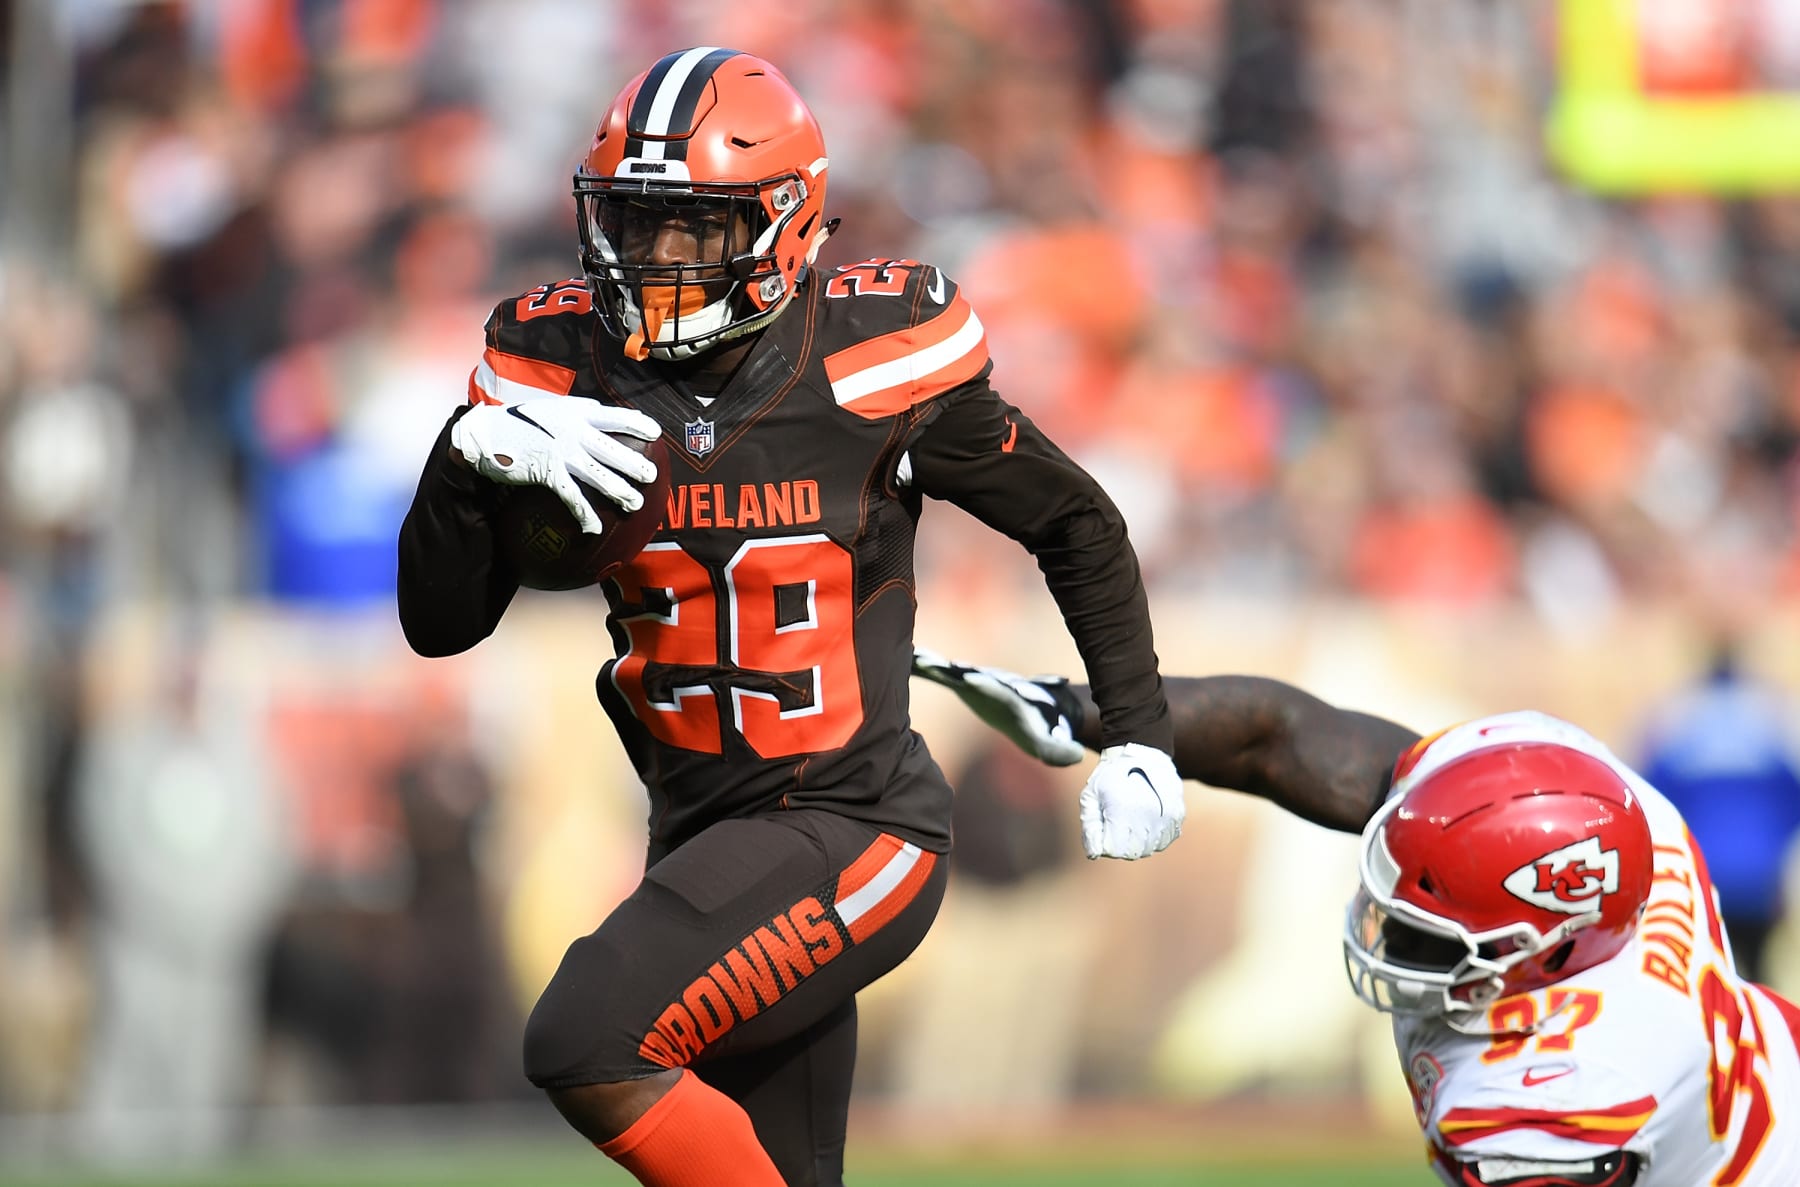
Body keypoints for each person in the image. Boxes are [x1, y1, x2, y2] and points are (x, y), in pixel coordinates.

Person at [395, 48, 1185, 1187]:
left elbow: (1076, 520)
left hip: (854, 823)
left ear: (785, 224)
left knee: (583, 1034)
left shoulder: (871, 364)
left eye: (691, 229)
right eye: (631, 220)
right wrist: (462, 464)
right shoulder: (557, 365)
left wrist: (1140, 728)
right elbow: (440, 622)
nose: (650, 259)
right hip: (702, 834)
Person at [914, 651, 1800, 1186]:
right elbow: (1279, 736)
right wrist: (1083, 711)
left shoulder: (1555, 1102)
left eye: (1436, 930)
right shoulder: (1594, 811)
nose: (1394, 932)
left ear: (1548, 949)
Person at [1635, 636, 1800, 984]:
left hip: (1705, 871)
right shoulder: (1773, 713)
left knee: (1711, 977)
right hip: (1760, 876)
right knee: (1759, 978)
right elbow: (1792, 797)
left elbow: (1647, 794)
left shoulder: (1675, 716)